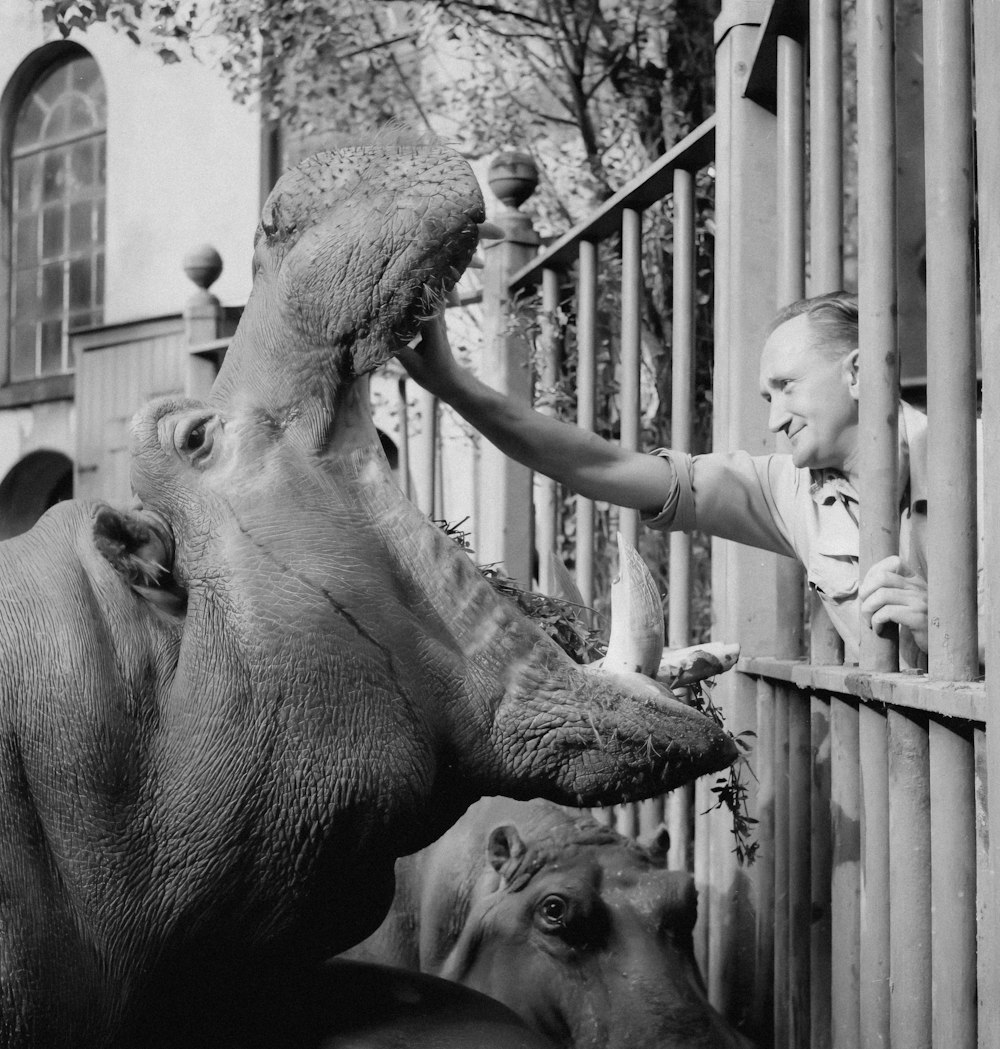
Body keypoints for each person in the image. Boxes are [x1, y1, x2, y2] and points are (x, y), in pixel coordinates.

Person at [398, 291, 983, 667]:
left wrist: (955, 639)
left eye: (787, 387)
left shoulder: (982, 458)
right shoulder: (789, 489)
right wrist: (452, 384)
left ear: (857, 373)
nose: (774, 419)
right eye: (766, 396)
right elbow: (604, 467)